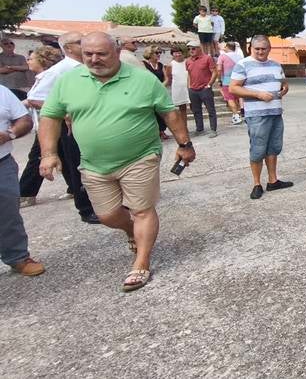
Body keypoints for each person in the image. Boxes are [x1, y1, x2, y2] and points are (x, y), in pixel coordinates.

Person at [39, 32, 195, 292]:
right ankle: (130, 230)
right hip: (94, 163)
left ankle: (141, 262)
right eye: (88, 54)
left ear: (116, 51)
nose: (94, 59)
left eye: (101, 53)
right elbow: (50, 117)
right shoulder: (68, 81)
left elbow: (169, 113)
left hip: (141, 156)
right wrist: (48, 153)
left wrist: (184, 144)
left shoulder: (142, 79)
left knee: (142, 209)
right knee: (107, 215)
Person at [18, 33, 98, 223]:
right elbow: (34, 99)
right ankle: (86, 208)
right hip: (66, 126)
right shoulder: (60, 71)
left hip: (86, 124)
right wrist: (65, 112)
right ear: (68, 48)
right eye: (80, 42)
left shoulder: (86, 66)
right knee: (77, 164)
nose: (85, 44)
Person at [229, 35, 291, 200]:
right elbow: (234, 88)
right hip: (257, 115)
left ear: (269, 49)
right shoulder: (243, 65)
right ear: (251, 48)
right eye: (257, 49)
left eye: (264, 48)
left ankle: (273, 181)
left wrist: (284, 89)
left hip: (276, 113)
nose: (261, 52)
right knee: (257, 150)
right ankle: (257, 184)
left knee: (273, 148)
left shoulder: (276, 65)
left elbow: (284, 83)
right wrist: (258, 94)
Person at [0, 85, 43, 277]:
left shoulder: (2, 91)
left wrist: (9, 134)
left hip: (2, 164)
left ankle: (17, 257)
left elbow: (24, 120)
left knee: (8, 213)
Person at [186, 44, 218, 138]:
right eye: (189, 49)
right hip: (193, 89)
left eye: (193, 48)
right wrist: (189, 86)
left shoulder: (207, 58)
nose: (191, 50)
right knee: (196, 110)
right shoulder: (188, 61)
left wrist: (209, 85)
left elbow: (214, 72)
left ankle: (213, 129)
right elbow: (189, 74)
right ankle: (199, 129)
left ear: (199, 48)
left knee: (210, 110)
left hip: (205, 89)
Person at [142, 46, 169, 140]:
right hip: (149, 92)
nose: (159, 55)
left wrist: (161, 86)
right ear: (150, 54)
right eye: (156, 53)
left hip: (160, 91)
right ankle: (155, 132)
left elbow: (166, 78)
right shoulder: (144, 65)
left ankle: (162, 130)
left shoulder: (160, 65)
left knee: (161, 111)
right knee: (152, 113)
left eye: (159, 53)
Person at [164, 46, 190, 129]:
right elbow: (169, 78)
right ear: (172, 54)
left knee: (194, 106)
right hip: (178, 88)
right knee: (182, 109)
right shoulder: (170, 65)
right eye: (175, 53)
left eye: (179, 52)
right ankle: (184, 127)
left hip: (189, 86)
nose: (178, 54)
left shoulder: (187, 62)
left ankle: (199, 126)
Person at [217, 42, 242, 125]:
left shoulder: (222, 56)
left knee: (230, 98)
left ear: (227, 47)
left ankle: (236, 115)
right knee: (237, 98)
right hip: (239, 80)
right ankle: (237, 113)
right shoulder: (240, 57)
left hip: (227, 81)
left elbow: (219, 69)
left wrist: (219, 79)